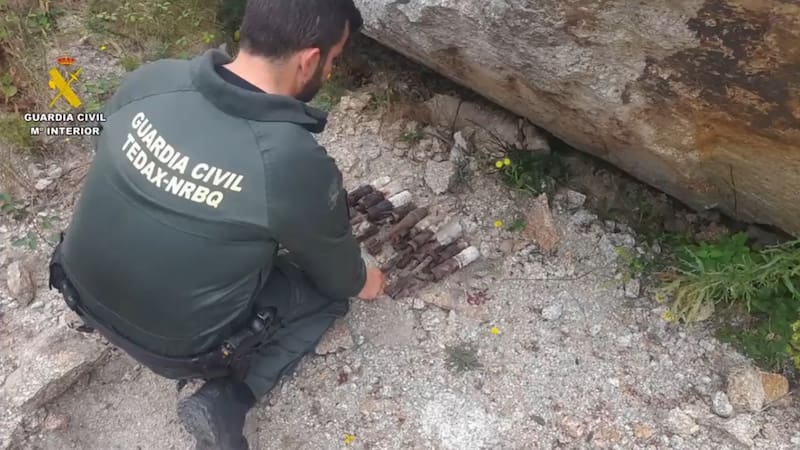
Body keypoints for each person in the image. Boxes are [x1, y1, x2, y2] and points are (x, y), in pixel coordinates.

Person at [47, 1, 385, 448]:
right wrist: (368, 278)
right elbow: (344, 278)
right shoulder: (288, 158)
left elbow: (107, 151)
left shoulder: (153, 78)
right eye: (333, 59)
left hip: (74, 282)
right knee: (326, 297)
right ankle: (229, 397)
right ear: (309, 60)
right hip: (173, 346)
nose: (330, 69)